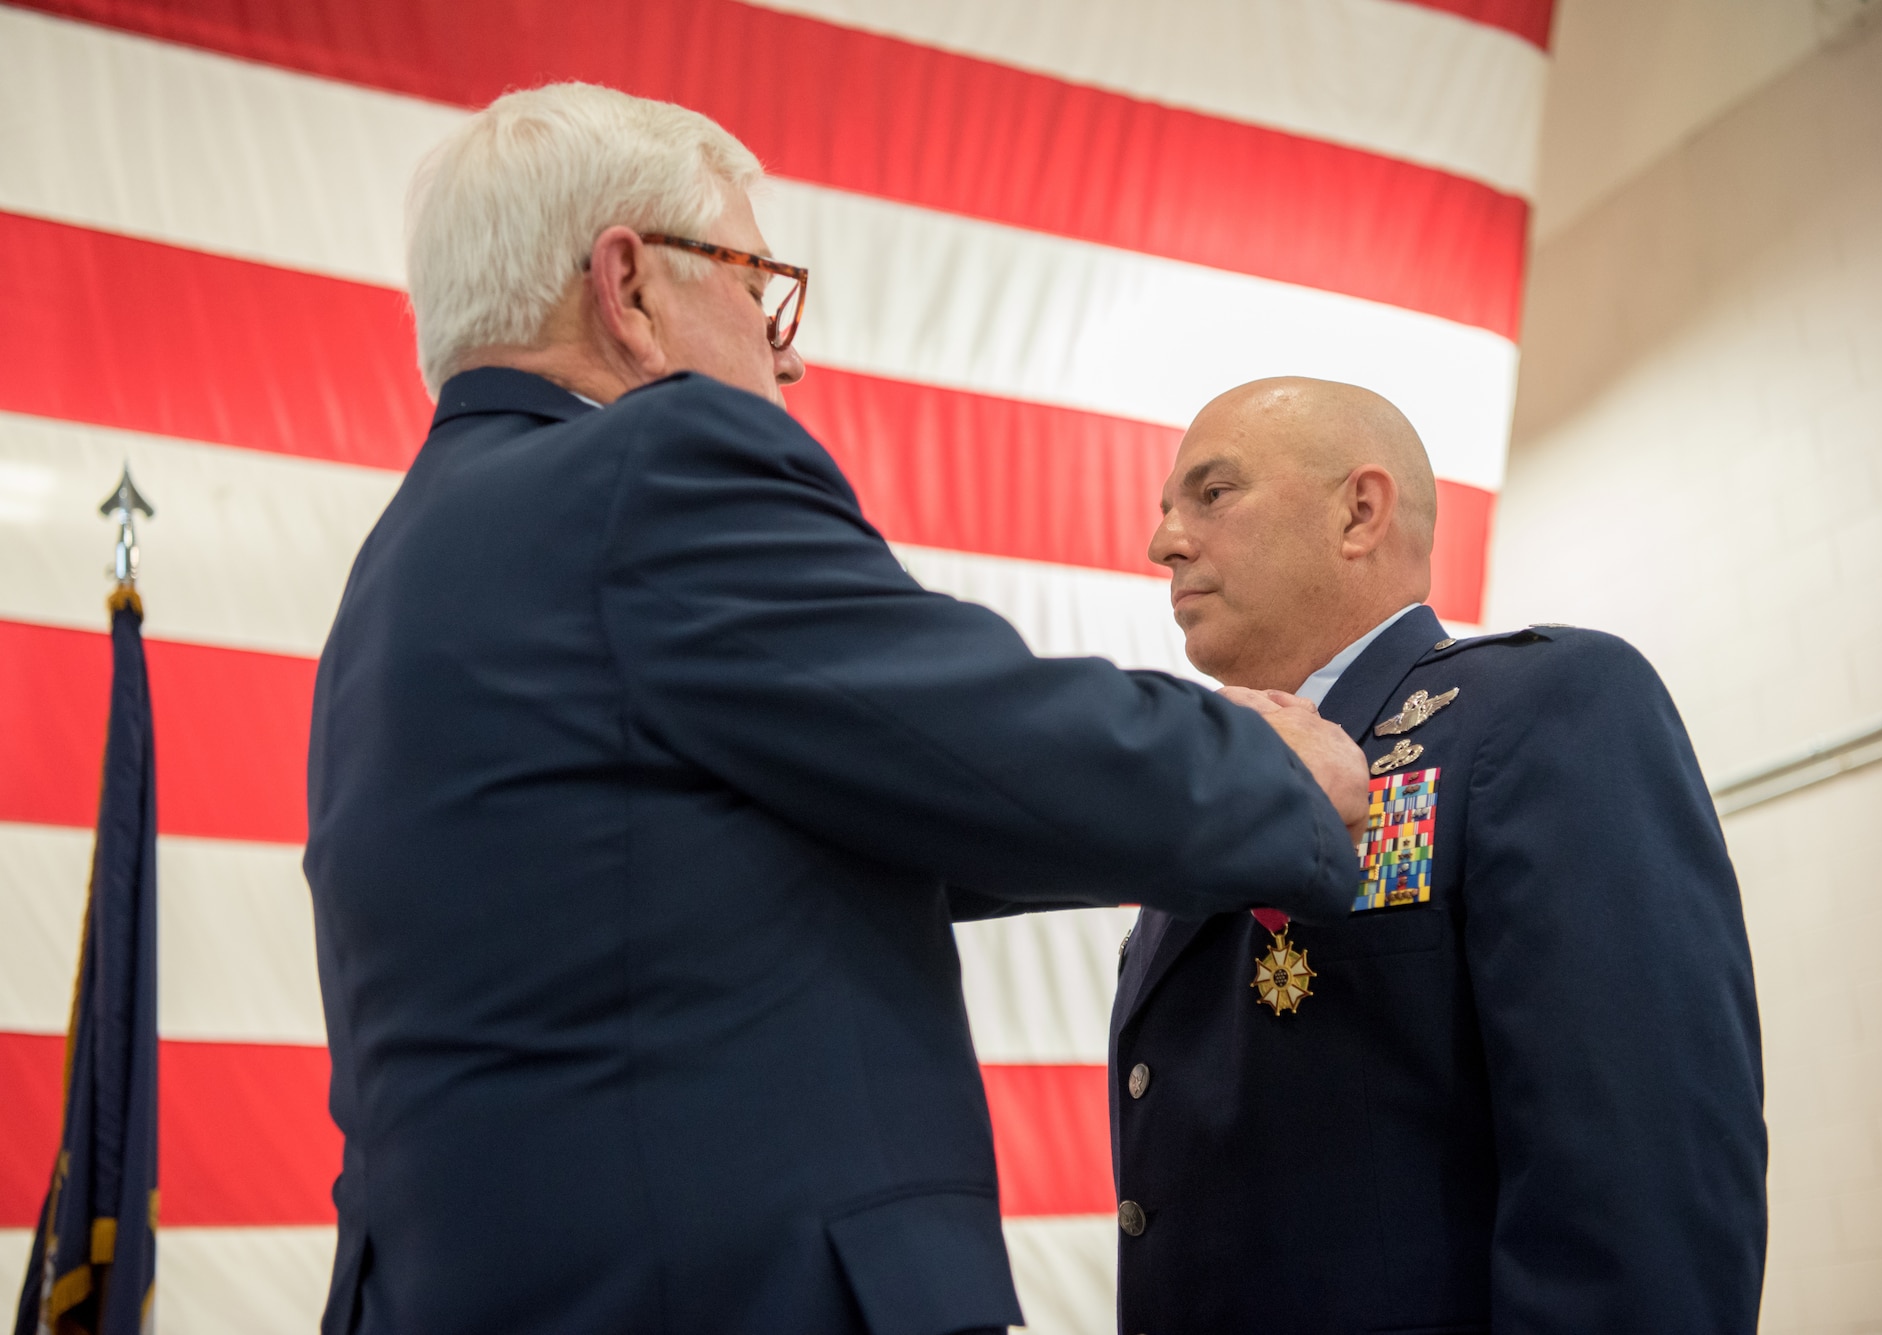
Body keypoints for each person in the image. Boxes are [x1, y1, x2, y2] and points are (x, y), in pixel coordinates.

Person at [304, 87, 1370, 1335]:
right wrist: (1273, 773)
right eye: (759, 286)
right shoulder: (647, 473)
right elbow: (977, 738)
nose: (786, 349)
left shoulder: (401, 569)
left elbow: (790, 830)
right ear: (630, 287)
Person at [1109, 378, 1767, 1333]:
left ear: (1359, 511)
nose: (1164, 541)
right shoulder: (1207, 799)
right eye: (1168, 509)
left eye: (1211, 494)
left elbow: (1640, 1178)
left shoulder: (1541, 711)